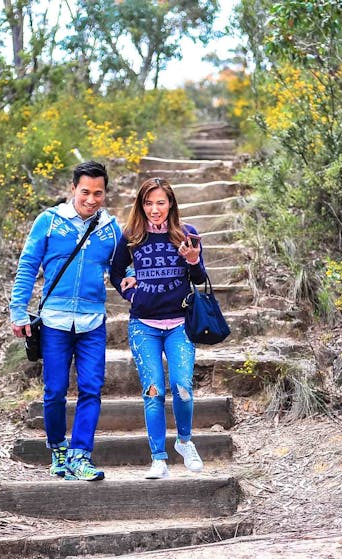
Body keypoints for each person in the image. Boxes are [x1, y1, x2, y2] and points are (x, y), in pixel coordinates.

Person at [9, 160, 124, 481]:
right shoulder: (49, 221)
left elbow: (120, 272)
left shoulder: (111, 230)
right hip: (55, 322)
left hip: (92, 323)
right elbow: (28, 265)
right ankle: (59, 452)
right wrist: (18, 311)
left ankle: (81, 456)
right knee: (55, 390)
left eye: (98, 193)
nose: (91, 199)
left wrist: (133, 283)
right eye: (85, 191)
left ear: (105, 193)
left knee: (91, 389)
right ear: (73, 189)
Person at [110, 177, 206, 479]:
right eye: (148, 203)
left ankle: (184, 442)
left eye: (160, 203)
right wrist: (130, 291)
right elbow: (115, 274)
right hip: (144, 326)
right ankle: (158, 459)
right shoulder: (131, 237)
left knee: (183, 387)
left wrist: (192, 259)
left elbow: (199, 277)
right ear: (141, 205)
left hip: (179, 324)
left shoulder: (186, 234)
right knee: (152, 392)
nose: (154, 209)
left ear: (171, 204)